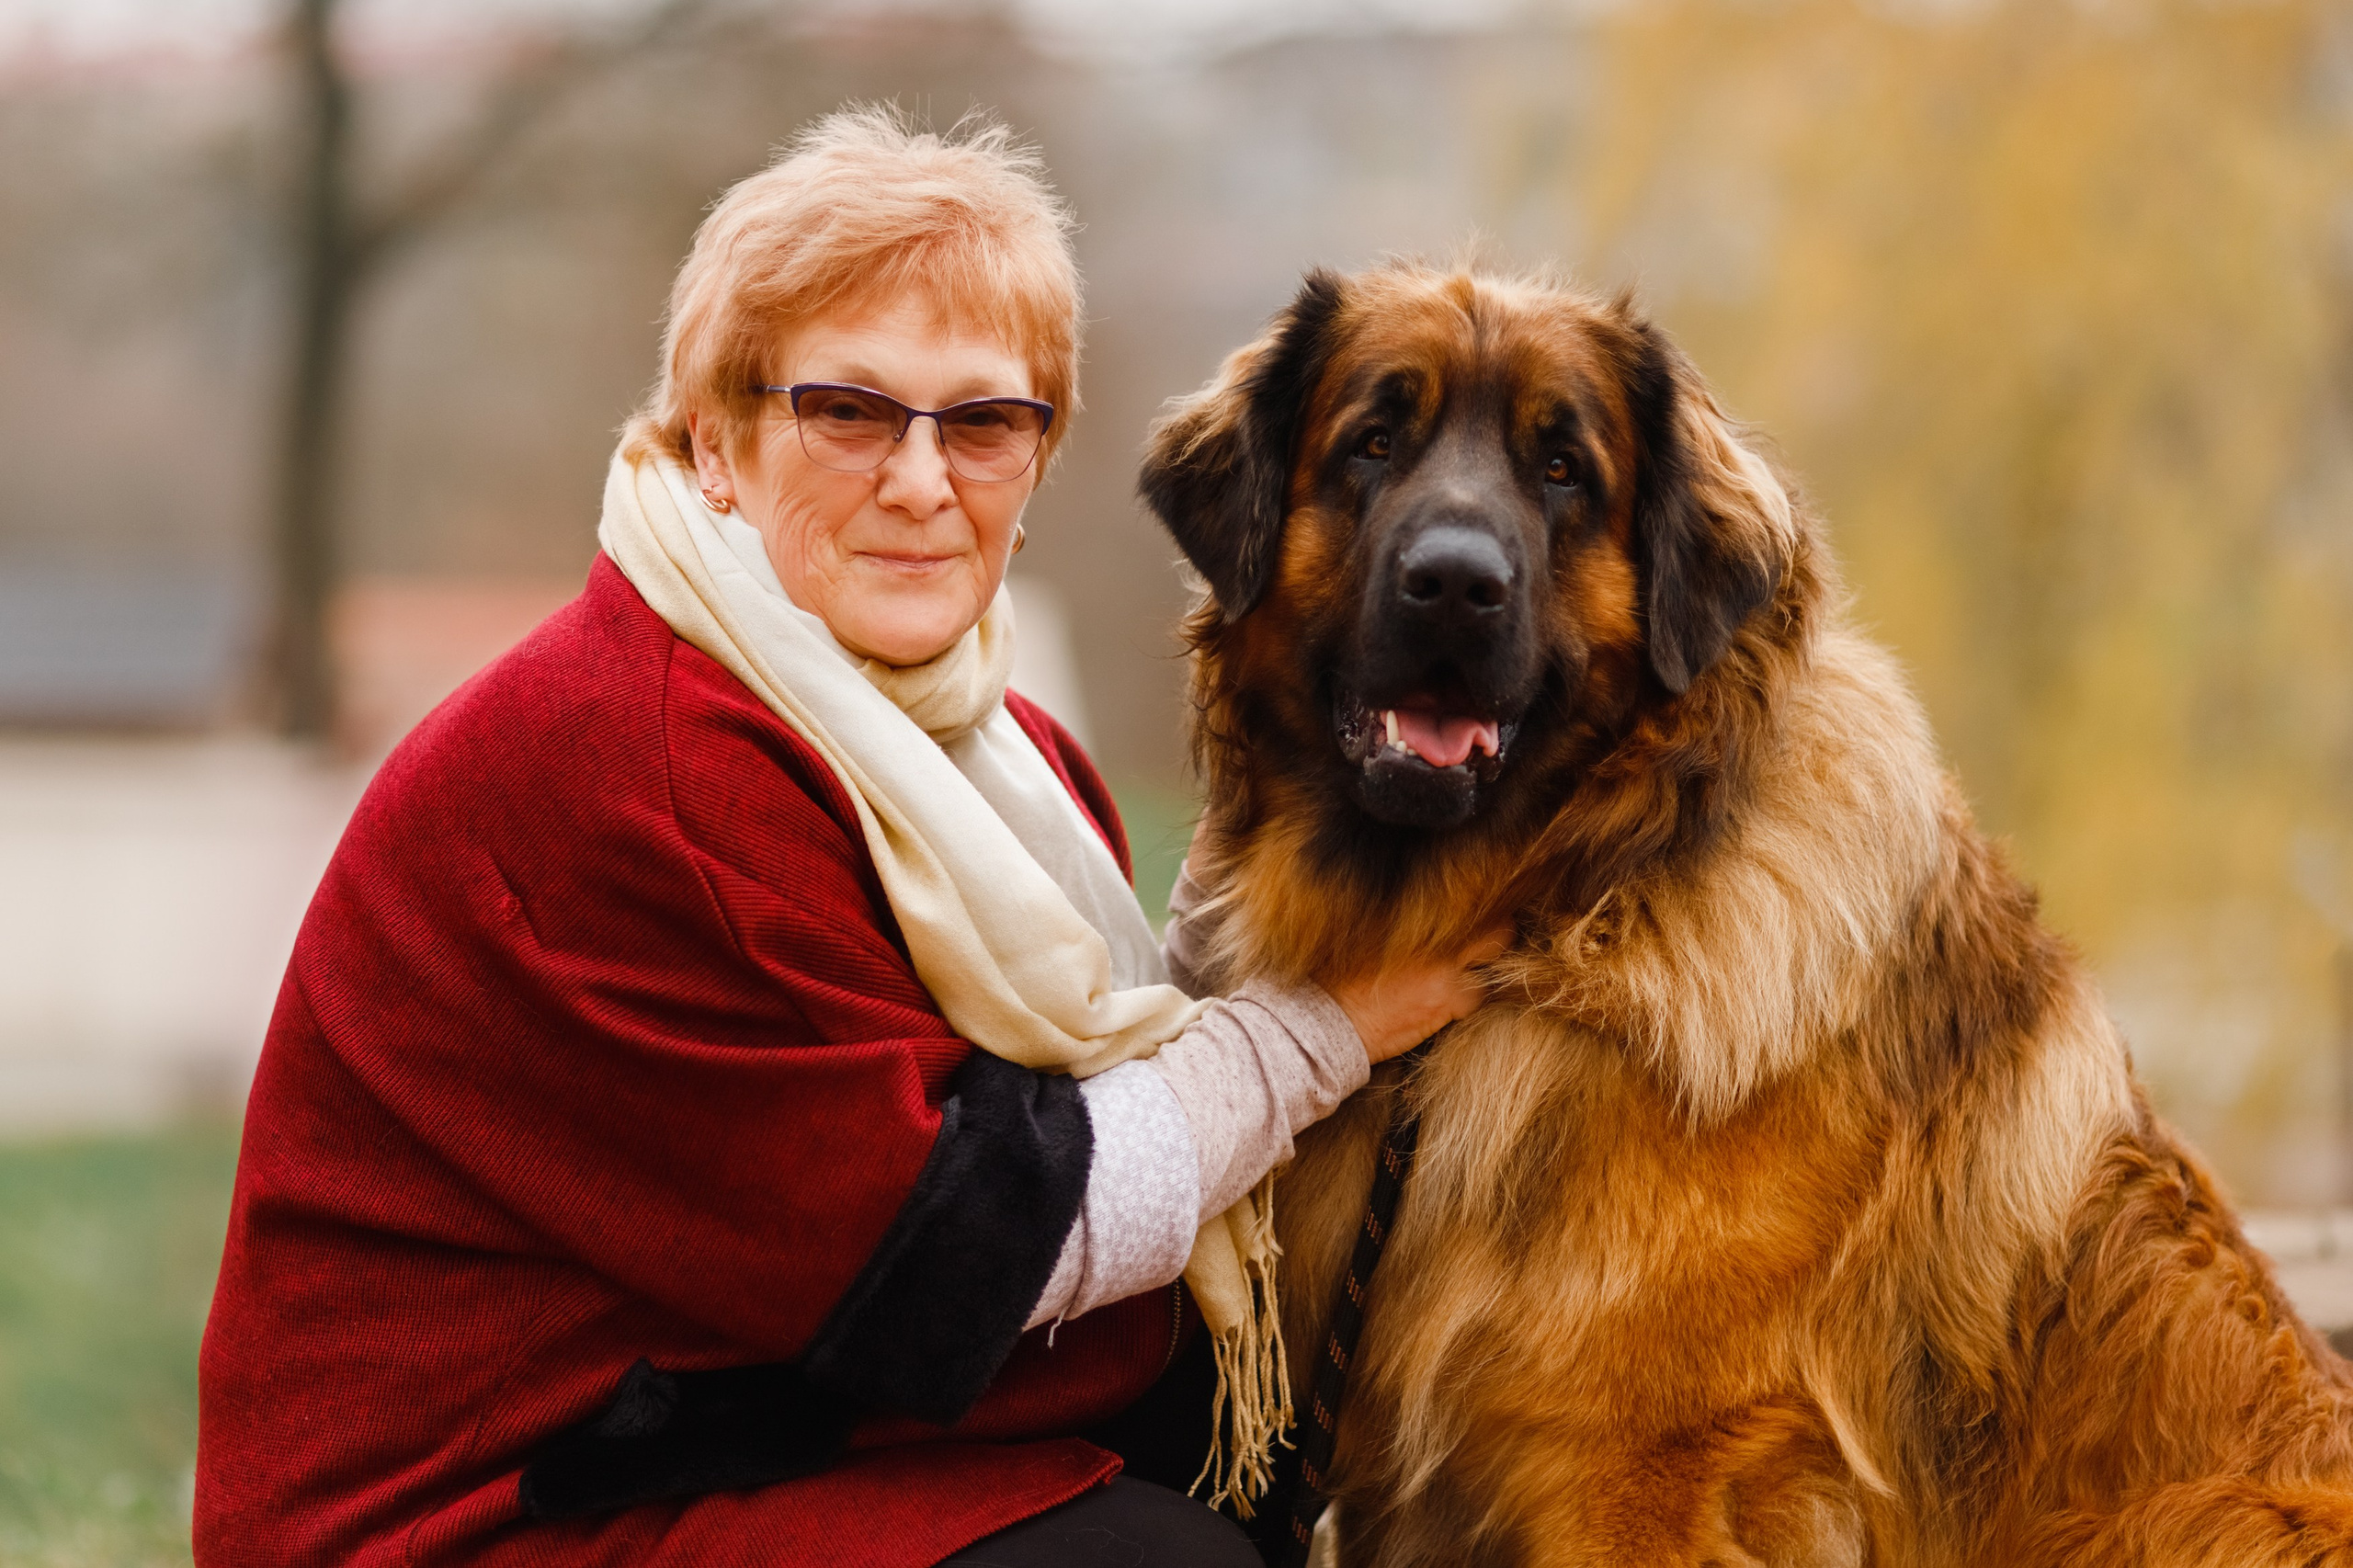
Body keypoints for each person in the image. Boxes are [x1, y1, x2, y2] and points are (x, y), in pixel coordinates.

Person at [194, 108, 1495, 1568]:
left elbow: (1100, 1066)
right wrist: (1329, 1023)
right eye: (849, 410)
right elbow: (968, 1245)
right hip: (485, 1512)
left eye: (986, 421)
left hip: (711, 1418)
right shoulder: (640, 763)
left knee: (1212, 1439)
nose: (924, 483)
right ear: (718, 440)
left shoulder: (992, 747)